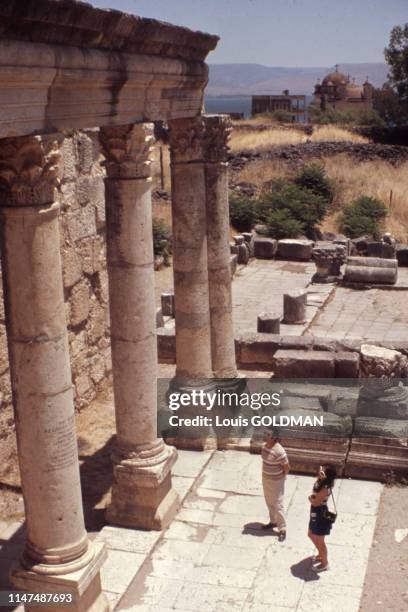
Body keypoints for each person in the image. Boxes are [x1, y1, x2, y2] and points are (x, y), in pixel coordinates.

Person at [261, 428, 290, 542]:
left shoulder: (280, 451)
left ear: (273, 437)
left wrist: (282, 478)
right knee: (269, 501)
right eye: (265, 433)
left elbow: (287, 467)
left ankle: (282, 529)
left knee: (278, 504)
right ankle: (273, 521)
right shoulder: (264, 446)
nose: (265, 435)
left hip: (276, 481)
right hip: (266, 478)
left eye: (267, 434)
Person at [308, 464, 337, 572]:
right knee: (311, 534)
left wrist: (310, 498)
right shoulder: (324, 482)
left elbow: (315, 503)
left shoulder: (325, 488)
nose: (320, 471)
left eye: (323, 471)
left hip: (319, 513)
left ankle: (325, 564)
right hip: (316, 512)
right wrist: (320, 478)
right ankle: (321, 554)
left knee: (319, 541)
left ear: (326, 476)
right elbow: (316, 488)